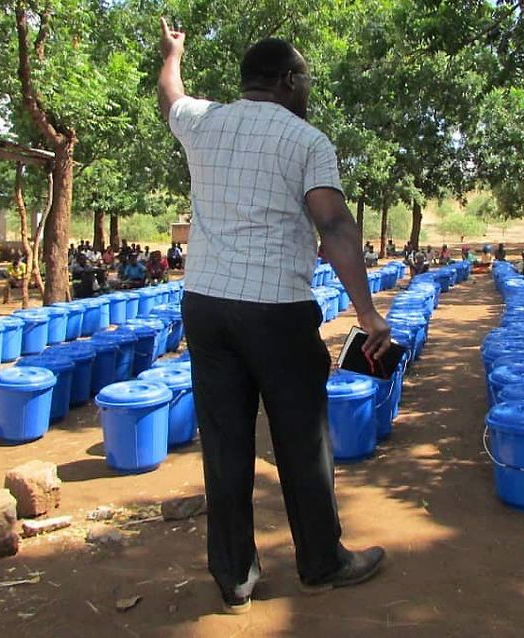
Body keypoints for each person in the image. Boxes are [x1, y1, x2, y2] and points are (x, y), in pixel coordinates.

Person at [159, 22, 388, 613]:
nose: (307, 88)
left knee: (226, 442)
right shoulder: (305, 140)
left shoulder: (203, 121)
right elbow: (334, 225)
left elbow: (170, 95)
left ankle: (234, 577)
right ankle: (321, 562)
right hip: (276, 313)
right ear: (288, 80)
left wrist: (174, 55)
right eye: (305, 78)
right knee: (302, 440)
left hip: (206, 307)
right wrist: (366, 312)